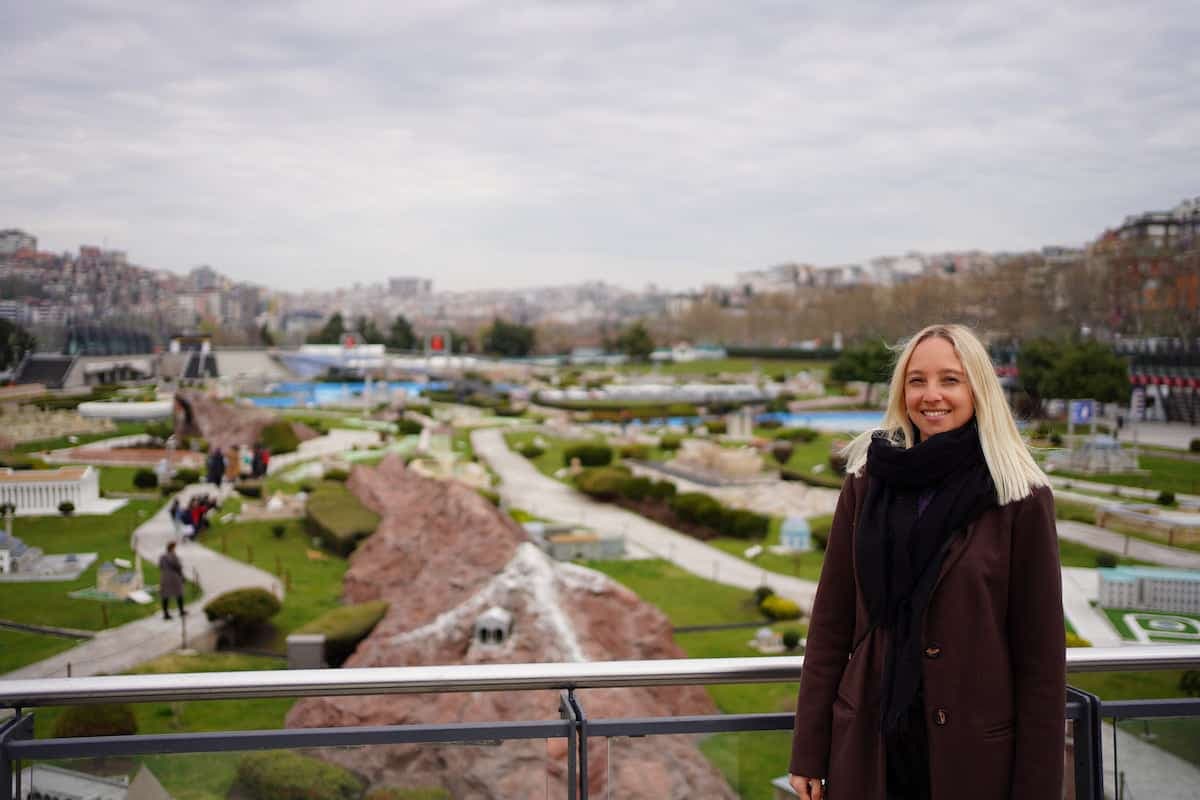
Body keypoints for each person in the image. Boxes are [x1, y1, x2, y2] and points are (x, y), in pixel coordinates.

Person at [788, 324, 1065, 800]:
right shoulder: (866, 482)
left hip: (972, 756)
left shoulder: (1020, 496)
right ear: (901, 391)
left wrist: (1036, 788)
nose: (931, 395)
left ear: (978, 389)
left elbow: (1040, 660)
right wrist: (809, 752)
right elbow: (831, 624)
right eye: (917, 380)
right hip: (871, 746)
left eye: (950, 380)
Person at [158, 541, 186, 620]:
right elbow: (178, 567)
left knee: (165, 596)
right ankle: (181, 611)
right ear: (172, 548)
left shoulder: (162, 556)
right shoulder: (174, 556)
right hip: (174, 577)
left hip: (164, 577)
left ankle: (166, 614)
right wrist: (182, 577)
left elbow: (160, 566)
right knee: (179, 594)